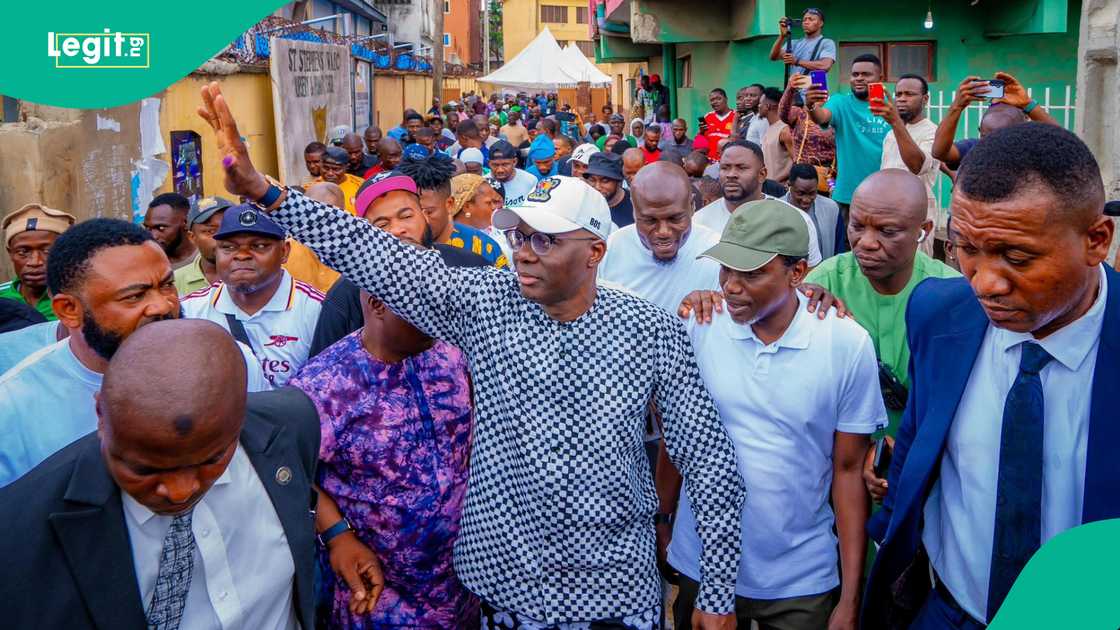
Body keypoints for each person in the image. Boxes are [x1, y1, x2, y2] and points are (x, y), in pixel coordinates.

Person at [202, 78, 747, 629]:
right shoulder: (485, 302)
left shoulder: (649, 331)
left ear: (595, 251)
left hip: (611, 592)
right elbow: (375, 254)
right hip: (502, 592)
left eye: (545, 240)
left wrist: (718, 593)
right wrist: (266, 192)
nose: (525, 254)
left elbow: (710, 463)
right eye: (519, 237)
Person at [862, 124, 1120, 629]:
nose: (984, 282)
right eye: (966, 248)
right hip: (944, 612)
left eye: (1017, 257)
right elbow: (918, 438)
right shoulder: (938, 313)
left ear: (1097, 240)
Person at [0, 319, 328, 630]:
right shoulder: (18, 531)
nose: (179, 492)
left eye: (210, 459)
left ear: (238, 415)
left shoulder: (291, 423)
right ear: (100, 413)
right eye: (144, 469)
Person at [669, 199, 885, 630]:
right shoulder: (699, 325)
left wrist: (849, 596)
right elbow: (677, 442)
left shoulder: (845, 343)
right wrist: (663, 521)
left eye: (750, 274)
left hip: (800, 579)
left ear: (798, 273)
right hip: (702, 563)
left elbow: (847, 472)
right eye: (725, 269)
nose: (730, 286)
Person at [0, 219, 267, 487]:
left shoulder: (231, 363)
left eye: (166, 285)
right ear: (69, 310)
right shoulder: (14, 408)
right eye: (135, 296)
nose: (162, 305)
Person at [291, 285, 477, 627]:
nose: (440, 319)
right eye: (427, 309)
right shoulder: (323, 384)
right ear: (378, 304)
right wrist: (337, 535)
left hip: (461, 585)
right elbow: (291, 476)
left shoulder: (452, 355)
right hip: (377, 593)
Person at [806, 169, 958, 436]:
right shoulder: (824, 284)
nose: (866, 243)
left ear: (923, 231)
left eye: (887, 231)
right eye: (857, 226)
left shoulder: (953, 292)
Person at [308, 171, 493, 357]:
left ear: (424, 215)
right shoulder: (346, 294)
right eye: (382, 224)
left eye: (406, 216)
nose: (397, 230)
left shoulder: (472, 267)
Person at [181, 206, 323, 389]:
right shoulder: (189, 311)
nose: (241, 255)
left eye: (259, 246)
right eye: (228, 247)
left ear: (284, 251)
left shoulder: (318, 310)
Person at [600, 162, 721, 313]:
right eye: (650, 220)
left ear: (692, 206)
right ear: (634, 209)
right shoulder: (612, 248)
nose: (663, 232)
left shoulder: (718, 254)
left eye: (675, 219)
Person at [694, 141, 822, 266]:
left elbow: (809, 277)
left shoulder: (796, 220)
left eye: (741, 168)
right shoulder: (698, 221)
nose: (731, 174)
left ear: (762, 174)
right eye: (725, 168)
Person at [805, 54, 891, 215]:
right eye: (855, 74)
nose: (859, 78)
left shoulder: (890, 107)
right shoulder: (840, 102)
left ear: (881, 77)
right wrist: (810, 105)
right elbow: (822, 116)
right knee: (843, 240)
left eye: (866, 75)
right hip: (846, 197)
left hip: (883, 197)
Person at [931, 72, 1060, 172]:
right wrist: (956, 107)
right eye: (987, 137)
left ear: (1022, 133)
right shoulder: (973, 149)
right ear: (980, 132)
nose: (995, 144)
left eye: (1005, 137)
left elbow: (1061, 142)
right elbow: (939, 152)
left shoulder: (1033, 154)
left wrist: (1028, 104)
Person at [398, 155, 508, 269]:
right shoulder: (394, 247)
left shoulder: (485, 248)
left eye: (429, 212)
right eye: (407, 215)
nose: (419, 220)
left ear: (449, 204)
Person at [874, 74, 941, 256]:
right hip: (888, 211)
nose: (902, 98)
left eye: (909, 94)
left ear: (925, 99)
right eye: (899, 94)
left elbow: (918, 166)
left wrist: (896, 122)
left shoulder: (932, 132)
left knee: (915, 265)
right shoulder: (890, 134)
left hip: (917, 215)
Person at [1, 203, 76, 320]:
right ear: (10, 253)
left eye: (47, 251)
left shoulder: (79, 300)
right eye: (23, 252)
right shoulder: (2, 296)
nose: (35, 262)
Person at [283, 182, 344, 293]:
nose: (322, 224)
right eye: (314, 215)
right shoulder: (285, 251)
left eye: (330, 216)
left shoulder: (357, 252)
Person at [778, 81, 836, 191]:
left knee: (826, 204)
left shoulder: (834, 113)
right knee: (798, 202)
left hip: (828, 175)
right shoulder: (799, 114)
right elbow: (782, 112)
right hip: (801, 172)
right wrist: (790, 89)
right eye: (810, 91)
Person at [173, 196, 234, 295]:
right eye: (211, 231)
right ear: (192, 237)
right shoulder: (176, 282)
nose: (222, 236)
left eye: (228, 227)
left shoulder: (255, 275)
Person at [783, 164, 841, 261]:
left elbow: (839, 248)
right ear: (789, 185)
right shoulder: (777, 208)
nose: (806, 200)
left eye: (812, 193)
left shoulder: (831, 209)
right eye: (800, 193)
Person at [769, 8, 836, 78]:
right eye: (804, 20)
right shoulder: (793, 43)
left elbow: (825, 65)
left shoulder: (826, 43)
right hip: (794, 88)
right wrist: (782, 36)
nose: (806, 22)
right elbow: (774, 56)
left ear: (821, 23)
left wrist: (797, 61)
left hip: (815, 88)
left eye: (811, 19)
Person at [143, 193, 198, 270]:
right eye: (147, 228)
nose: (152, 236)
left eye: (160, 228)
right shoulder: (144, 265)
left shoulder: (207, 260)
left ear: (186, 223)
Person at [584, 152, 634, 229]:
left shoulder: (635, 206)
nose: (597, 187)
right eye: (592, 180)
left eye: (605, 181)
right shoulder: (582, 203)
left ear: (619, 181)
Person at [486, 140, 538, 207]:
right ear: (489, 164)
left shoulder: (530, 181)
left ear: (514, 162)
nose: (500, 170)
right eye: (495, 165)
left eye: (505, 164)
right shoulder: (483, 183)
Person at [759, 87, 793, 184]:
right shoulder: (770, 128)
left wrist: (777, 181)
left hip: (780, 189)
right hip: (768, 186)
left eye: (760, 103)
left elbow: (798, 161)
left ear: (768, 106)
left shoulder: (784, 130)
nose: (758, 106)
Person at [318, 147, 365, 215]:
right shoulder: (310, 188)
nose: (330, 173)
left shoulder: (360, 185)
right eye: (326, 168)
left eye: (336, 169)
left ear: (346, 167)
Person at [701, 88, 736, 161]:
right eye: (712, 100)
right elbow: (702, 142)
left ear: (726, 99)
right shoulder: (707, 117)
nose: (715, 102)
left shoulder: (736, 116)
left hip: (729, 161)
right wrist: (701, 133)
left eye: (718, 99)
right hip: (709, 161)